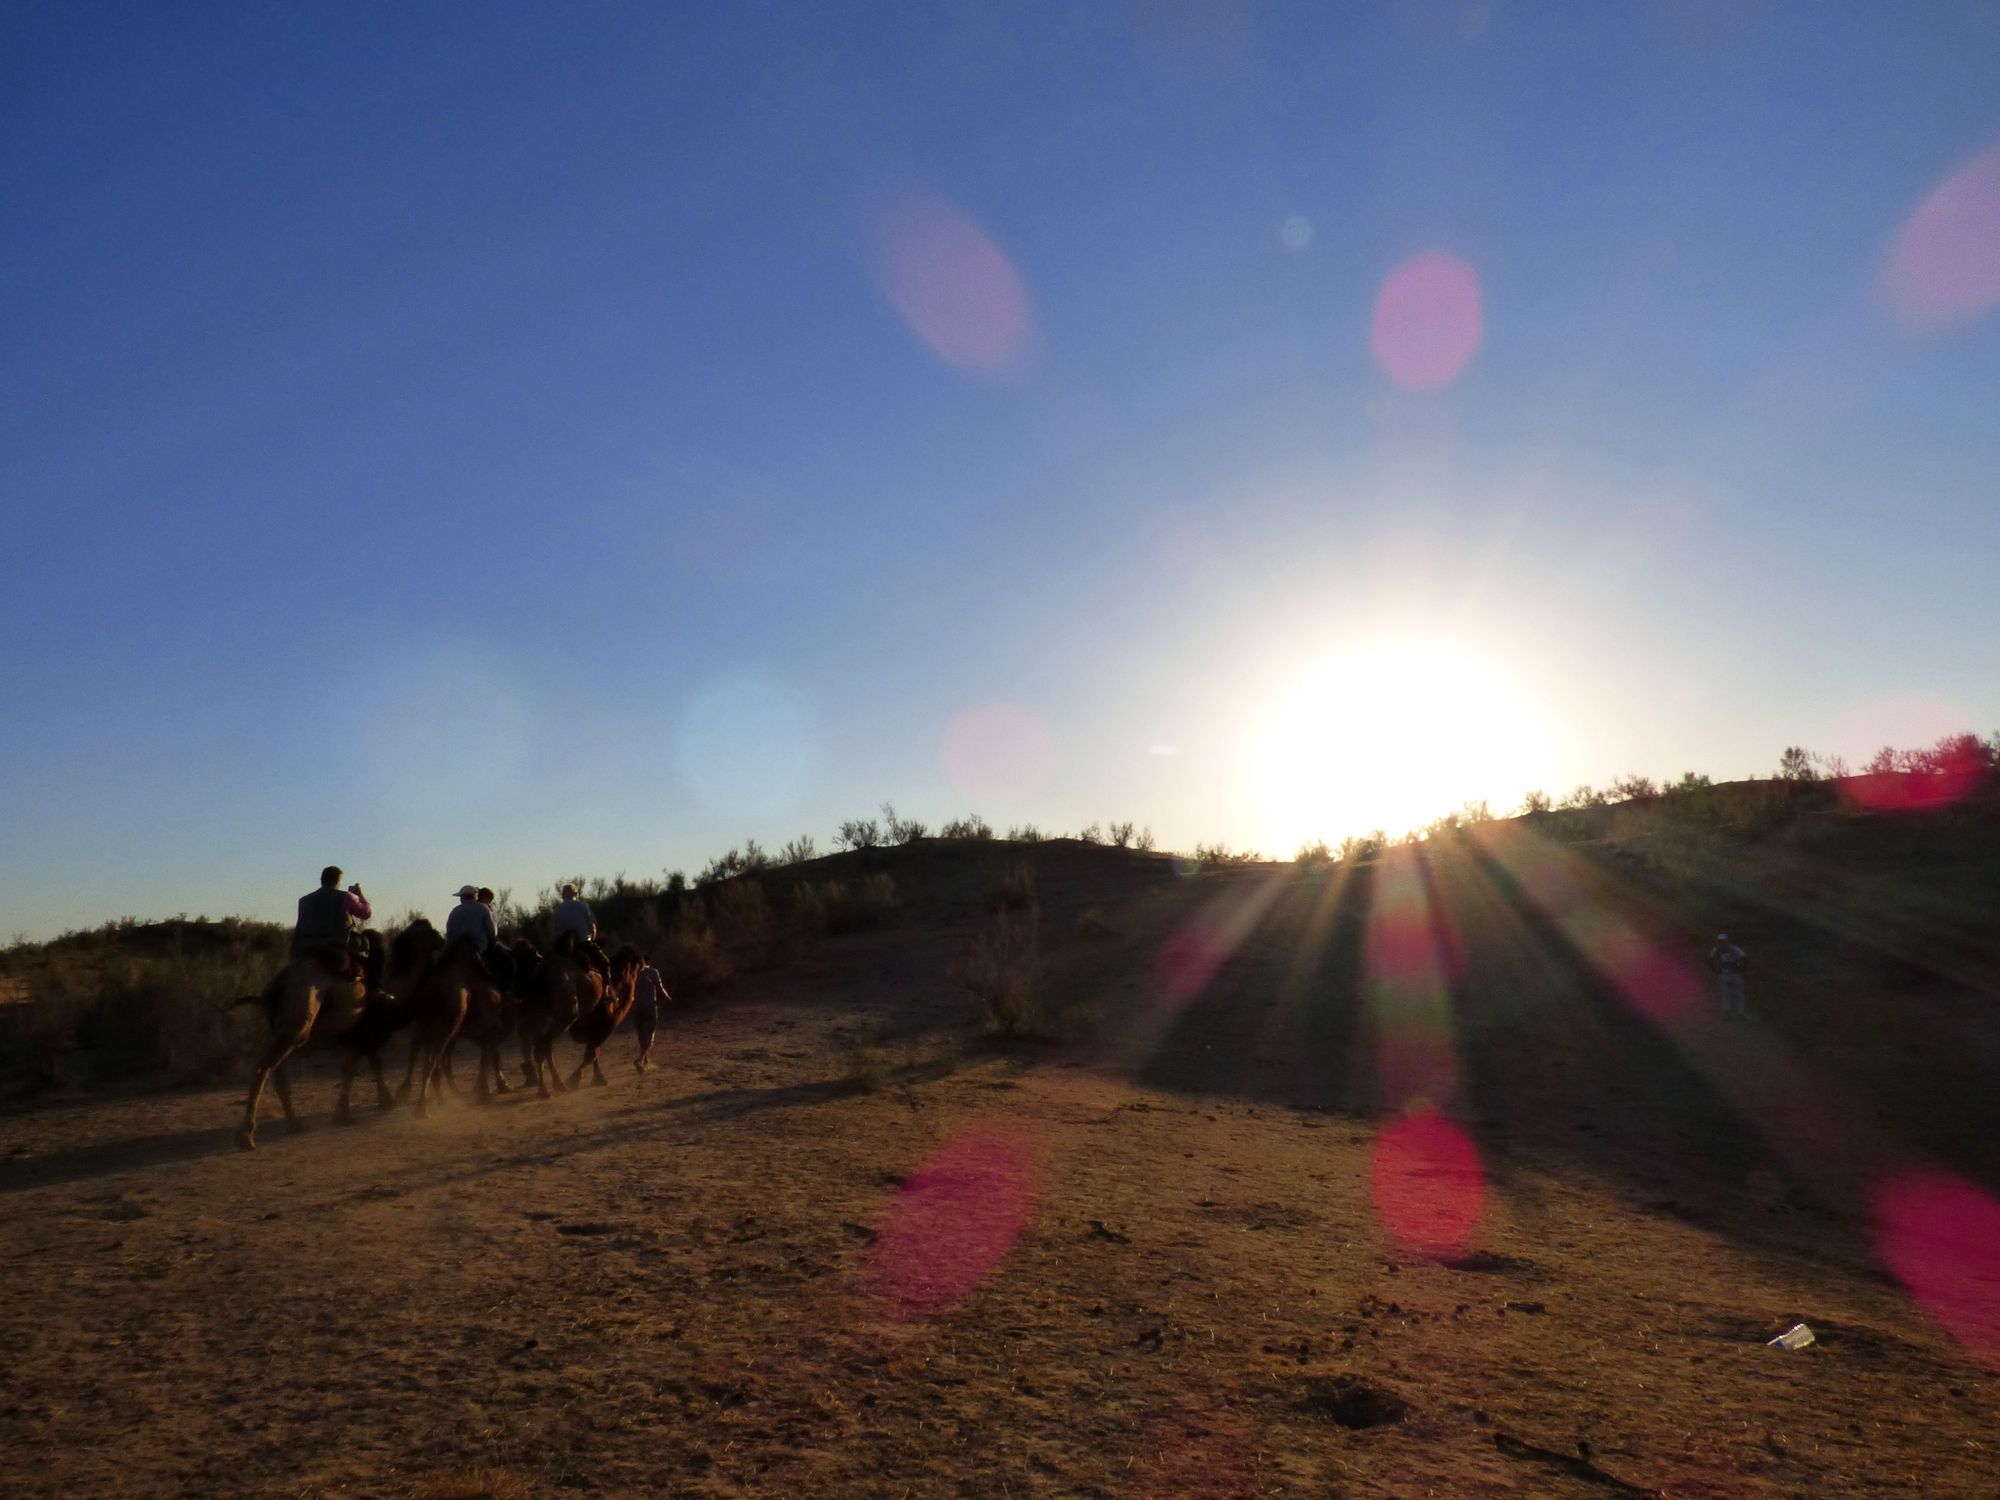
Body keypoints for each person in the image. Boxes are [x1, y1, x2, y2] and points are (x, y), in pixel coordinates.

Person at [292, 865, 372, 965]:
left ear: (321, 880)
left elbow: (300, 928)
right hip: (338, 949)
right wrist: (359, 894)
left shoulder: (304, 901)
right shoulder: (346, 897)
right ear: (338, 880)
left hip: (308, 949)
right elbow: (366, 913)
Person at [552, 882, 608, 974]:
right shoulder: (583, 906)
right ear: (576, 894)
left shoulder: (557, 910)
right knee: (605, 963)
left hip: (562, 947)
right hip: (583, 943)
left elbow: (554, 931)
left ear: (563, 895)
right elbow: (592, 927)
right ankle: (606, 983)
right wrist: (592, 940)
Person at [631, 954, 669, 1072]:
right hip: (649, 1006)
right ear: (649, 962)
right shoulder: (653, 972)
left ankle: (645, 1060)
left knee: (642, 1034)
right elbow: (660, 988)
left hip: (637, 1007)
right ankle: (639, 1059)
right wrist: (667, 997)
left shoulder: (633, 974)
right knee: (650, 1033)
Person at [444, 884, 497, 954]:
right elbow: (491, 930)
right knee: (507, 959)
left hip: (456, 947)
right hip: (479, 946)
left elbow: (449, 932)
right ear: (475, 896)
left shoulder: (455, 911)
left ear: (462, 897)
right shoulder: (483, 908)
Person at [1709, 932, 1750, 1019]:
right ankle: (1730, 1013)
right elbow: (1710, 959)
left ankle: (1739, 1013)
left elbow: (1745, 958)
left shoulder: (1722, 949)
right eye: (1720, 941)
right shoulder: (1721, 949)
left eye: (1723, 940)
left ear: (1727, 940)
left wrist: (1742, 969)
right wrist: (1715, 970)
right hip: (1727, 974)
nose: (1722, 942)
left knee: (1736, 994)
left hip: (1733, 973)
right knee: (1727, 994)